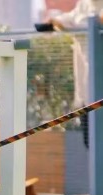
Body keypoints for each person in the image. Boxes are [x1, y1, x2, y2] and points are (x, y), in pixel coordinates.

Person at [44, 0, 103, 148]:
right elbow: (67, 19)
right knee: (90, 143)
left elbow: (99, 20)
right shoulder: (84, 5)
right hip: (86, 93)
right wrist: (54, 22)